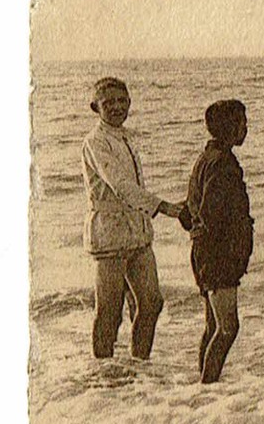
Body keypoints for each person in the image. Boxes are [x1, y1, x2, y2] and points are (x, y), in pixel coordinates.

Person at [80, 77, 188, 361]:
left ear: (129, 103)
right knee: (109, 313)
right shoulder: (95, 141)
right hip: (110, 235)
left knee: (152, 303)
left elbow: (133, 187)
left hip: (137, 232)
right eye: (108, 103)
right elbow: (120, 185)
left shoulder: (126, 136)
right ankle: (103, 374)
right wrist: (163, 206)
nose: (116, 107)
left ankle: (139, 365)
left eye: (121, 101)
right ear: (95, 107)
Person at [186, 99, 253, 384]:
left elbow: (192, 213)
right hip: (218, 255)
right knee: (228, 328)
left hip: (206, 252)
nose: (246, 129)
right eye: (242, 123)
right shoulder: (222, 163)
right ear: (230, 128)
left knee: (213, 325)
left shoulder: (207, 158)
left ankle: (205, 384)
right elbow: (211, 215)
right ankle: (208, 384)